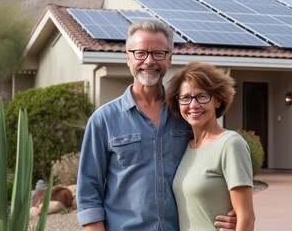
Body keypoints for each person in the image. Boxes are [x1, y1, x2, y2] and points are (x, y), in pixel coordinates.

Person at [76, 20, 237, 230]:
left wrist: (231, 214)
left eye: (158, 53)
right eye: (140, 53)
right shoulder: (102, 121)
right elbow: (88, 193)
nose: (149, 61)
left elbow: (214, 166)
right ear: (128, 58)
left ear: (169, 59)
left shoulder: (187, 115)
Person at [166, 61, 255, 231]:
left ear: (218, 100)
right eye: (186, 97)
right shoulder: (187, 147)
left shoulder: (230, 144)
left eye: (202, 96)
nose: (193, 105)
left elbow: (246, 217)